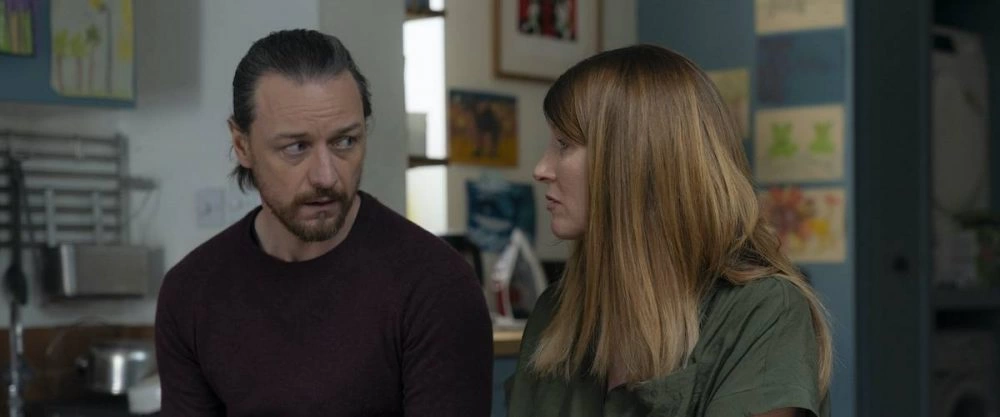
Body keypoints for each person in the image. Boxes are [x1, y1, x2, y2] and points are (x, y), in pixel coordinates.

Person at [154, 29, 493, 417]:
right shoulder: (191, 291)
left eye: (345, 142)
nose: (326, 176)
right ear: (242, 144)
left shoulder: (435, 285)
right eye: (296, 147)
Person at [506, 44, 833, 417]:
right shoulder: (555, 314)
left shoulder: (762, 312)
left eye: (564, 145)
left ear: (635, 160)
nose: (541, 169)